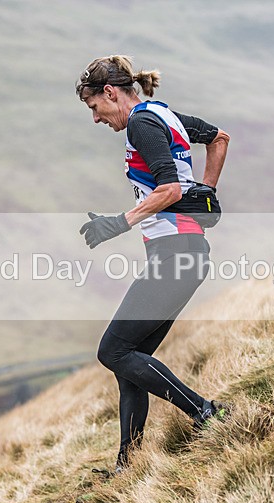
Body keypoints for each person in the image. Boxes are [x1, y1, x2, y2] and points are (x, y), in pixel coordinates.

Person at [75, 55, 231, 475]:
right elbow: (219, 138)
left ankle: (205, 412)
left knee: (113, 350)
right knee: (131, 359)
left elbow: (169, 186)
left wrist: (118, 223)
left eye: (94, 107)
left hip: (176, 254)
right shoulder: (163, 115)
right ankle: (129, 464)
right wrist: (207, 193)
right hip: (182, 252)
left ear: (110, 93)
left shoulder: (142, 124)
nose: (95, 119)